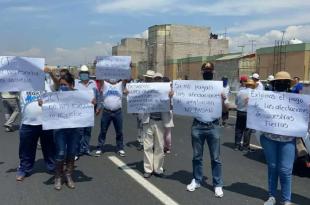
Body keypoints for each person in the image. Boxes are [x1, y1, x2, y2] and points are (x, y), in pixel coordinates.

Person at [186, 62, 224, 198]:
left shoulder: (220, 88)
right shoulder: (194, 87)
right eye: (205, 70)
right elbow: (184, 101)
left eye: (210, 69)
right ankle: (196, 180)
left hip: (213, 126)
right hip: (198, 126)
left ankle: (218, 184)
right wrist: (174, 96)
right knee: (197, 156)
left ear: (213, 72)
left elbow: (225, 109)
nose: (207, 71)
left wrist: (224, 100)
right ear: (202, 72)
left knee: (216, 158)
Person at [260, 71, 296, 205]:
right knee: (273, 167)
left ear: (288, 84)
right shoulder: (266, 98)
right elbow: (257, 113)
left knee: (286, 170)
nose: (282, 84)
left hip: (288, 140)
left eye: (285, 82)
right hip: (270, 138)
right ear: (274, 84)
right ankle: (272, 196)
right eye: (279, 82)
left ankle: (287, 200)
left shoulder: (296, 100)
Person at [16, 69, 56, 181]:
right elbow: (7, 83)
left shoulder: (47, 84)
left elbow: (57, 90)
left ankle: (52, 167)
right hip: (28, 123)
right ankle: (24, 169)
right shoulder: (22, 85)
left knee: (50, 147)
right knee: (26, 149)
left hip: (46, 123)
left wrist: (51, 73)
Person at [49, 73, 86, 190]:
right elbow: (48, 105)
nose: (62, 87)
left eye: (65, 85)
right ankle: (58, 177)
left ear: (72, 85)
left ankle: (69, 175)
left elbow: (88, 106)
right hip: (60, 129)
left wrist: (92, 103)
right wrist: (43, 104)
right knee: (60, 153)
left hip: (74, 129)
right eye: (61, 85)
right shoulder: (55, 95)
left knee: (71, 152)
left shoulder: (79, 96)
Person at [140, 72, 173, 178]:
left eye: (159, 79)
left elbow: (172, 106)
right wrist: (128, 92)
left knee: (159, 146)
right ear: (153, 80)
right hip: (148, 121)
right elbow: (135, 97)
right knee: (147, 146)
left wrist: (171, 97)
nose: (158, 81)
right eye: (156, 79)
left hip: (160, 122)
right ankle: (148, 169)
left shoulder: (167, 91)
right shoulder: (147, 90)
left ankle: (158, 169)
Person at [94, 78, 127, 157]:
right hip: (106, 112)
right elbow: (100, 76)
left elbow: (125, 78)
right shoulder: (105, 84)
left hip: (117, 112)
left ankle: (120, 148)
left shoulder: (120, 85)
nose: (112, 78)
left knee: (119, 131)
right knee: (103, 131)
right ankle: (99, 148)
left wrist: (127, 66)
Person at [75, 65, 97, 158]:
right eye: (82, 73)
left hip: (89, 111)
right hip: (79, 111)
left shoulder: (93, 83)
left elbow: (97, 95)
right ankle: (78, 150)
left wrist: (96, 103)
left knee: (87, 131)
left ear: (88, 74)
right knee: (79, 132)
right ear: (80, 74)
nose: (84, 75)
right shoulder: (76, 83)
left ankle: (86, 148)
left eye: (85, 73)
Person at [234, 79, 256, 152]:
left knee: (239, 128)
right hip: (249, 113)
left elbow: (236, 102)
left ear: (246, 85)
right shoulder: (254, 93)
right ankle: (245, 146)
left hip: (240, 112)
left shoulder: (240, 92)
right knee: (247, 130)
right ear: (252, 85)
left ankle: (237, 145)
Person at [162, 76, 174, 154]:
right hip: (170, 111)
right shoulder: (172, 90)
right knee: (168, 131)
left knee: (162, 131)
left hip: (163, 111)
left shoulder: (162, 90)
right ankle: (168, 147)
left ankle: (163, 146)